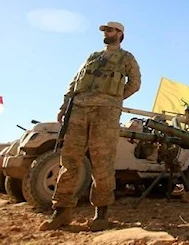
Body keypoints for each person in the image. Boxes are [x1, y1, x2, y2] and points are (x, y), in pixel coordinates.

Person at [40, 21, 141, 231]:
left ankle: (101, 214)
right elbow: (75, 82)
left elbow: (135, 83)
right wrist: (65, 105)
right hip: (78, 111)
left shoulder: (127, 58)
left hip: (105, 114)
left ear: (120, 34)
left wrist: (114, 99)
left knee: (102, 162)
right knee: (69, 160)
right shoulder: (92, 57)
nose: (106, 33)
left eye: (110, 30)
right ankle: (61, 212)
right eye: (105, 30)